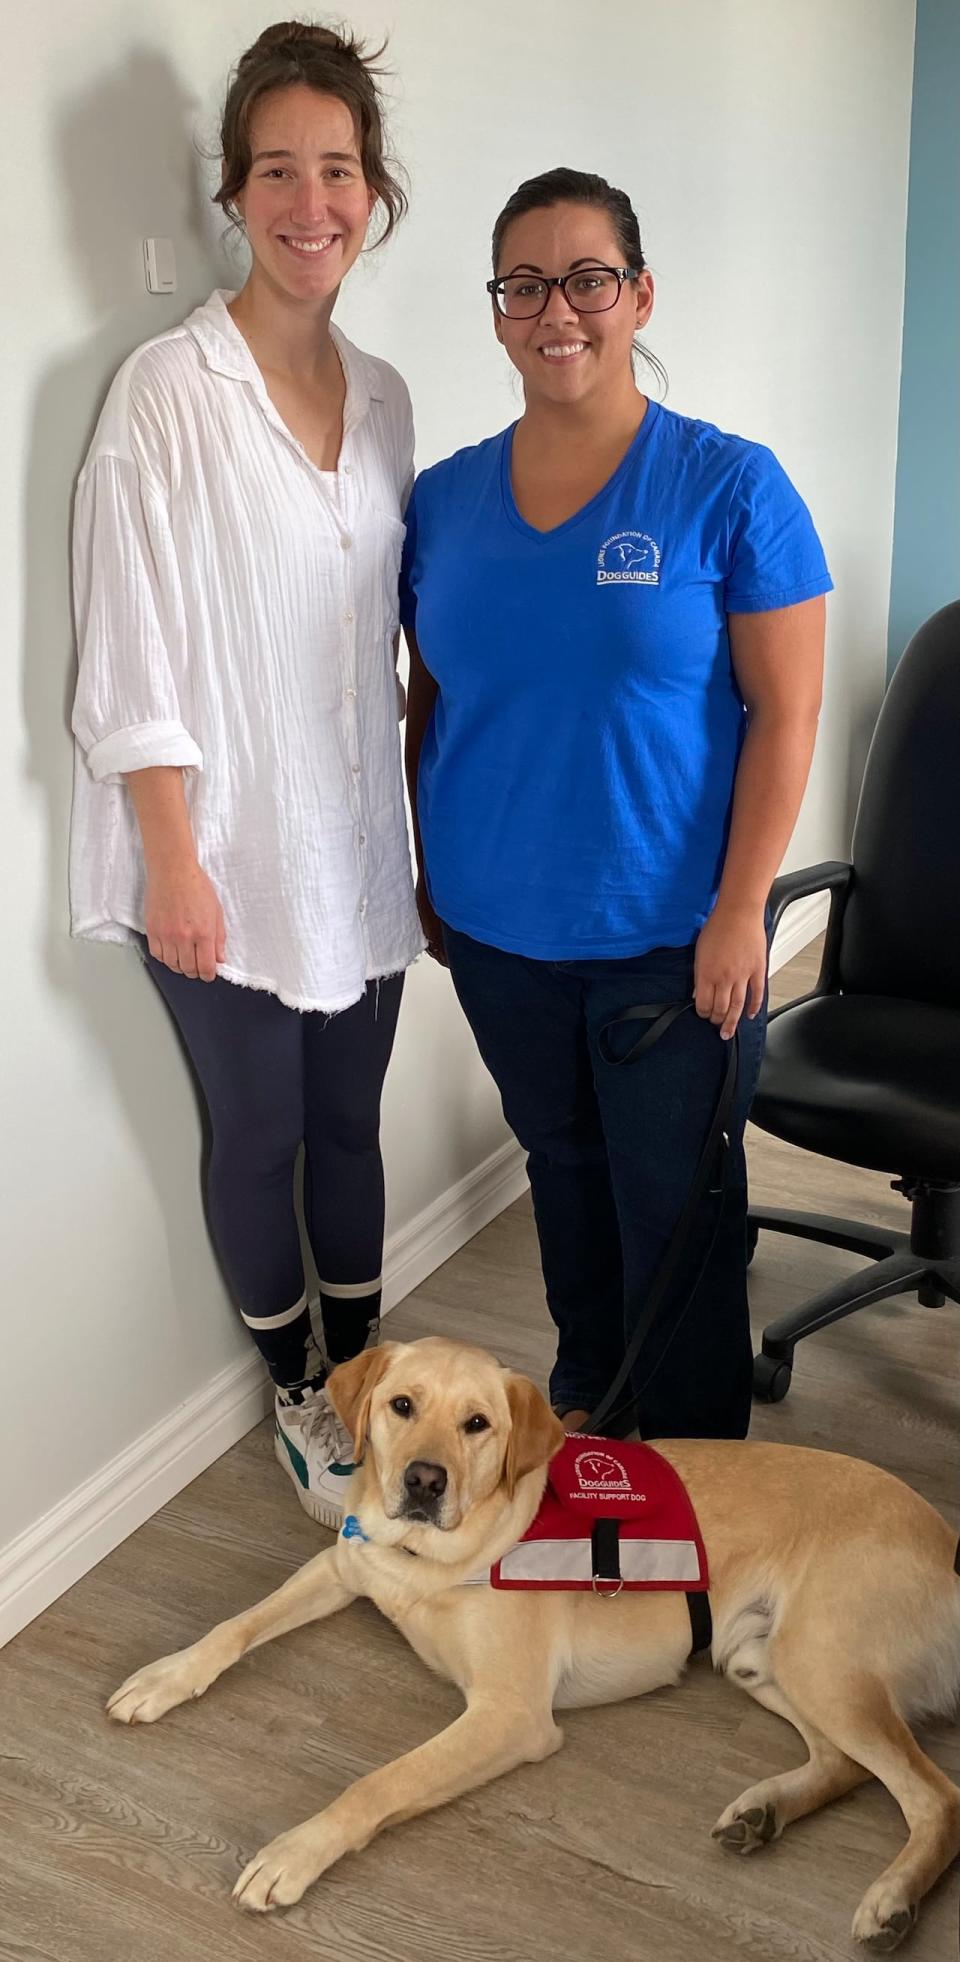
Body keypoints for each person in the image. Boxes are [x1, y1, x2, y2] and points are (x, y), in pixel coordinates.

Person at [401, 168, 830, 1441]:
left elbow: (787, 714)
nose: (558, 311)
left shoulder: (729, 487)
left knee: (678, 1206)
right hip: (494, 930)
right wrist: (429, 877)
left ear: (639, 294)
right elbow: (434, 702)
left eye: (589, 278)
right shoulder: (442, 502)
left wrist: (743, 906)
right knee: (567, 1177)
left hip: (668, 932)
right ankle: (588, 1403)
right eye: (523, 285)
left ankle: (697, 1471)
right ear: (496, 312)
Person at [70, 21, 423, 1527]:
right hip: (217, 846)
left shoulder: (394, 396)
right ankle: (298, 1394)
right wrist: (174, 859)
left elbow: (403, 635)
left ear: (373, 190)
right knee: (262, 1133)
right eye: (277, 169)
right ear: (233, 190)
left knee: (352, 1127)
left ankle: (359, 1365)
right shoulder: (165, 391)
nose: (310, 200)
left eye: (336, 169)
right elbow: (128, 648)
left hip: (357, 839)